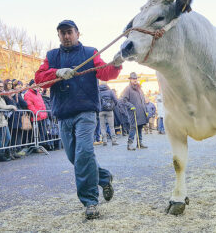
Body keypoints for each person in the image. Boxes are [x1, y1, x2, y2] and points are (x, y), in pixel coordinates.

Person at [34, 20, 123, 219]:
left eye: (69, 32)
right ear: (58, 36)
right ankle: (104, 177)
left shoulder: (90, 53)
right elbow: (39, 78)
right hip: (63, 113)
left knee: (84, 152)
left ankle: (90, 202)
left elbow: (104, 72)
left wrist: (116, 64)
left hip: (86, 111)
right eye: (62, 33)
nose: (66, 36)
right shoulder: (51, 56)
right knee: (74, 157)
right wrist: (56, 72)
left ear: (77, 33)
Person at [0, 80, 17, 161]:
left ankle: (2, 153)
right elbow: (0, 106)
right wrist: (11, 106)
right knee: (0, 139)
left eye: (2, 86)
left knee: (7, 137)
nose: (1, 88)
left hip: (2, 119)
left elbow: (4, 105)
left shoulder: (0, 95)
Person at [121, 72, 148, 151]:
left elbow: (142, 99)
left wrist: (145, 110)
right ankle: (129, 144)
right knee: (133, 127)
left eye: (136, 78)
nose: (135, 80)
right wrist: (131, 106)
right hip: (133, 112)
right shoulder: (127, 88)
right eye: (133, 79)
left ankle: (139, 143)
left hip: (140, 111)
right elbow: (124, 100)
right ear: (130, 80)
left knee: (139, 127)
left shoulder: (139, 88)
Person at [98, 81, 118, 146]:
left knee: (102, 126)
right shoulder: (110, 91)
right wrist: (112, 106)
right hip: (109, 110)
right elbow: (116, 100)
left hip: (101, 111)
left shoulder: (98, 92)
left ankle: (104, 141)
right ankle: (114, 141)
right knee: (111, 126)